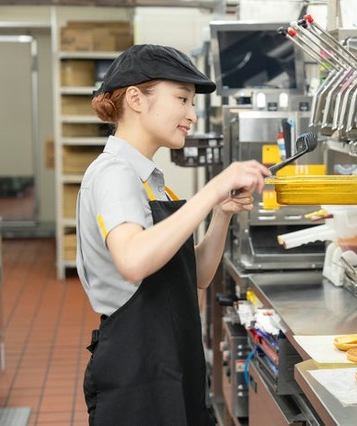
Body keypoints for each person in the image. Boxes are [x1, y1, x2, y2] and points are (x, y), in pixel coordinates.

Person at [76, 44, 271, 425]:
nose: (191, 115)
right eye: (182, 99)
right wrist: (211, 190)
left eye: (192, 103)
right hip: (137, 377)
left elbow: (194, 276)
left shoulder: (152, 183)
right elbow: (133, 261)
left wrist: (221, 214)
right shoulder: (114, 173)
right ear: (135, 98)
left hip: (170, 363)